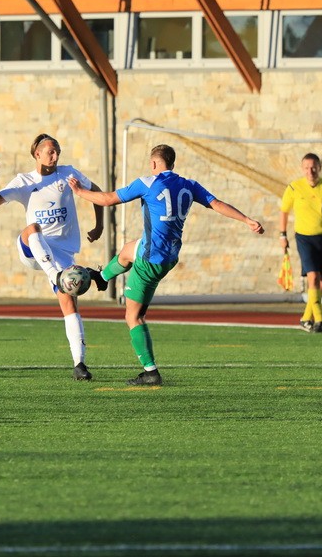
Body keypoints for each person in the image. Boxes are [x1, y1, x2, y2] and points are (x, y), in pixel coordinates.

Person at [69, 144, 264, 386]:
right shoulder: (189, 185)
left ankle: (150, 371)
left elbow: (108, 199)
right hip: (169, 255)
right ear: (172, 163)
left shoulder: (148, 183)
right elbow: (217, 204)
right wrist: (246, 219)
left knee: (133, 316)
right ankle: (102, 277)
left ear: (154, 163)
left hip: (150, 260)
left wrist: (80, 192)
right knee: (128, 250)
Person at [0, 133, 104, 381]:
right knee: (32, 228)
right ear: (37, 154)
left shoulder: (68, 174)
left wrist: (99, 225)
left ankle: (79, 364)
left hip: (61, 254)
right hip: (32, 249)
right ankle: (57, 275)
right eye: (50, 151)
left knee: (69, 304)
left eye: (57, 151)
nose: (55, 156)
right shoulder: (24, 181)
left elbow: (97, 191)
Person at [278, 153, 322, 333]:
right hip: (304, 238)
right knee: (313, 277)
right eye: (306, 167)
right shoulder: (294, 187)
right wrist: (282, 235)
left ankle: (306, 318)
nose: (310, 171)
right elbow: (284, 211)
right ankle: (320, 320)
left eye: (313, 167)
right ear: (302, 169)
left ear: (319, 168)